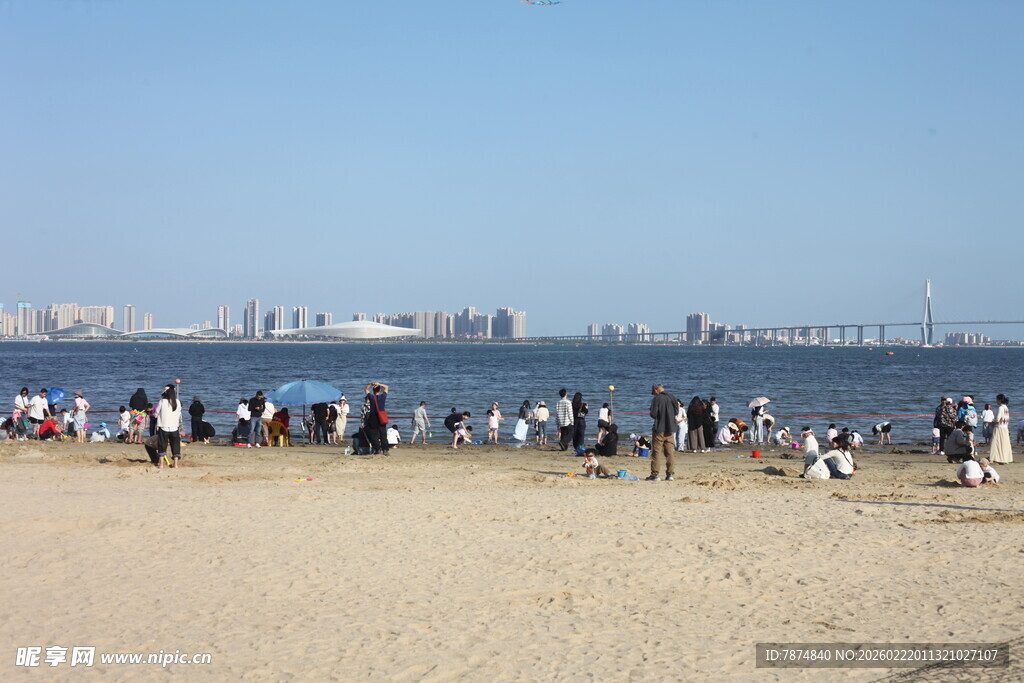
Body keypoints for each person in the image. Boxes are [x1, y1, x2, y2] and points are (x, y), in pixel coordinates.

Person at [647, 384, 678, 482]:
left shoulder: (657, 399)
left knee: (656, 452)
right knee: (670, 453)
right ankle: (670, 474)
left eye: (653, 392)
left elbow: (653, 414)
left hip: (659, 428)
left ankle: (655, 475)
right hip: (670, 429)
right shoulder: (672, 397)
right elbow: (676, 412)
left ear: (656, 390)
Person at [156, 384, 182, 468]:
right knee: (175, 445)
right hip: (174, 426)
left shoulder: (162, 401)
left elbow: (156, 414)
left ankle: (162, 464)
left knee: (162, 445)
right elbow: (179, 414)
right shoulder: (177, 402)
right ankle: (176, 464)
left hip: (164, 426)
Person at [363, 382, 390, 455]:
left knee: (374, 434)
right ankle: (385, 449)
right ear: (380, 390)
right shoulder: (383, 396)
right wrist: (379, 384)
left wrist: (371, 384)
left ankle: (377, 449)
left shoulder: (371, 397)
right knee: (383, 434)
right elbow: (387, 387)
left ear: (373, 391)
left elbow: (365, 389)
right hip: (381, 415)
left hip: (373, 416)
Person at [989, 394, 1012, 464]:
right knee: (1004, 444)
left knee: (995, 443)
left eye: (996, 400)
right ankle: (1004, 458)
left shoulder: (1001, 408)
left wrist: (991, 423)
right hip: (1005, 427)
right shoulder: (1006, 408)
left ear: (999, 400)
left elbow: (998, 419)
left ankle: (992, 459)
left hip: (999, 428)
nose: (996, 401)